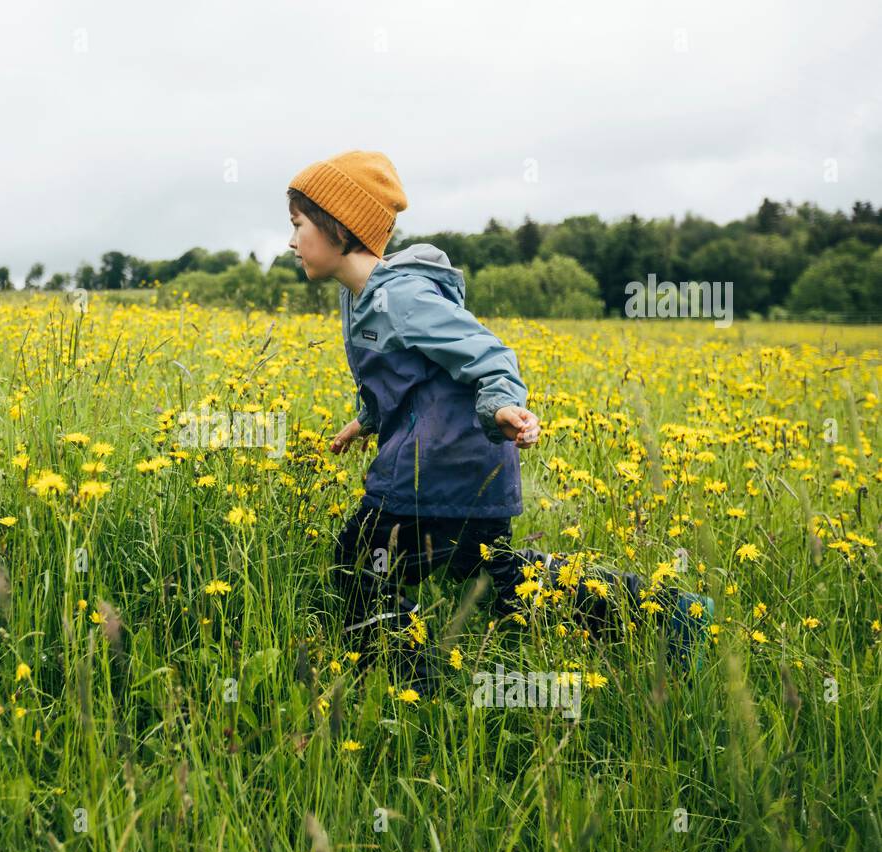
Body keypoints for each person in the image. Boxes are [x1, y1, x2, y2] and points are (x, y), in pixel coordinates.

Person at [286, 149, 713, 694]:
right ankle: (669, 615)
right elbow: (401, 376)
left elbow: (489, 357)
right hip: (451, 468)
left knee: (363, 559)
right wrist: (366, 421)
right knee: (499, 579)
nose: (292, 241)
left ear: (338, 225)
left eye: (299, 225)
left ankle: (407, 687)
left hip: (441, 468)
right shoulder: (360, 299)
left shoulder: (404, 296)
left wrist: (500, 407)